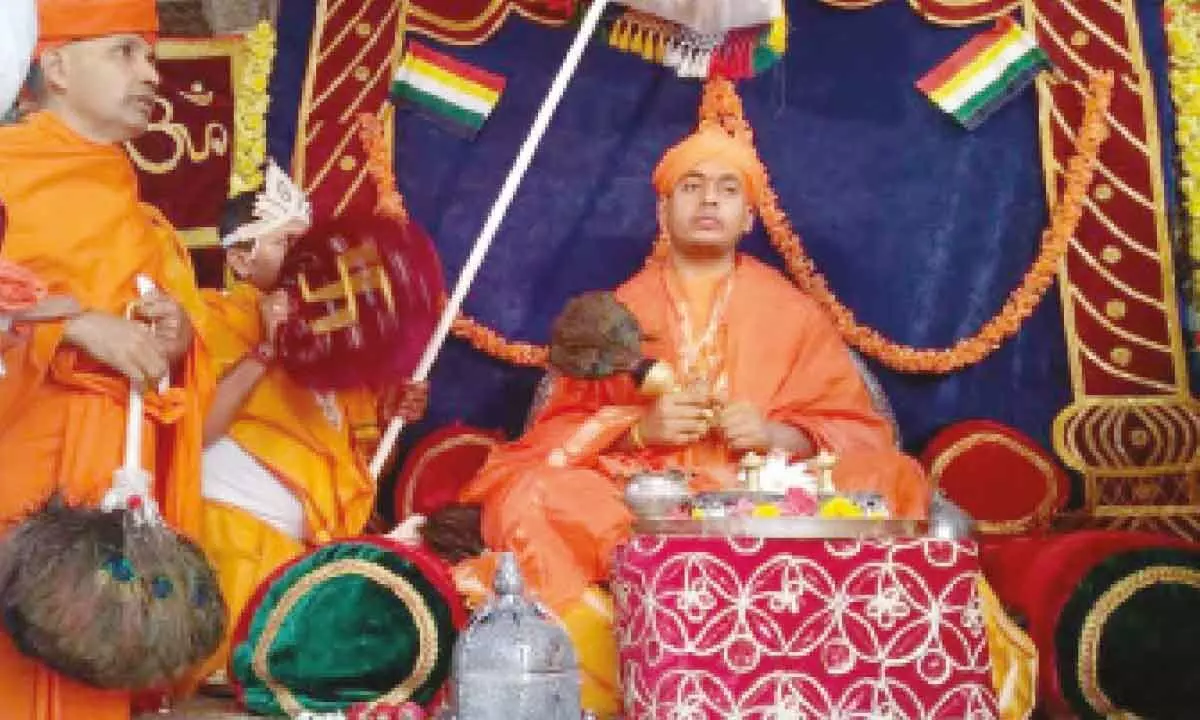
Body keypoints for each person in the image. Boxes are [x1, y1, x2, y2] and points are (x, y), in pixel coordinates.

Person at [455, 123, 930, 715]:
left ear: (749, 216)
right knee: (530, 494)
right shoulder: (620, 311)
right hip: (645, 504)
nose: (709, 201)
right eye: (692, 187)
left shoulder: (792, 311)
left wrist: (777, 436)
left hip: (768, 498)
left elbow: (858, 425)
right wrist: (637, 431)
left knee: (893, 475)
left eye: (728, 189)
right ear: (663, 209)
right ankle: (609, 637)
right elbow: (552, 433)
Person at [0, 1, 215, 718]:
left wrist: (178, 337)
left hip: (109, 483)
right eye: (126, 52)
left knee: (93, 664)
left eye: (151, 56)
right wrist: (76, 329)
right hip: (21, 484)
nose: (152, 74)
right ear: (55, 66)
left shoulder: (119, 189)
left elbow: (166, 351)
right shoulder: (9, 173)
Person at [195, 167, 428, 688]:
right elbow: (196, 431)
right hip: (226, 549)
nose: (308, 257)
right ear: (239, 258)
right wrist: (265, 352)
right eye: (286, 242)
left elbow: (361, 475)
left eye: (309, 242)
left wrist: (391, 417)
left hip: (305, 562)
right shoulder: (208, 318)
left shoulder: (338, 343)